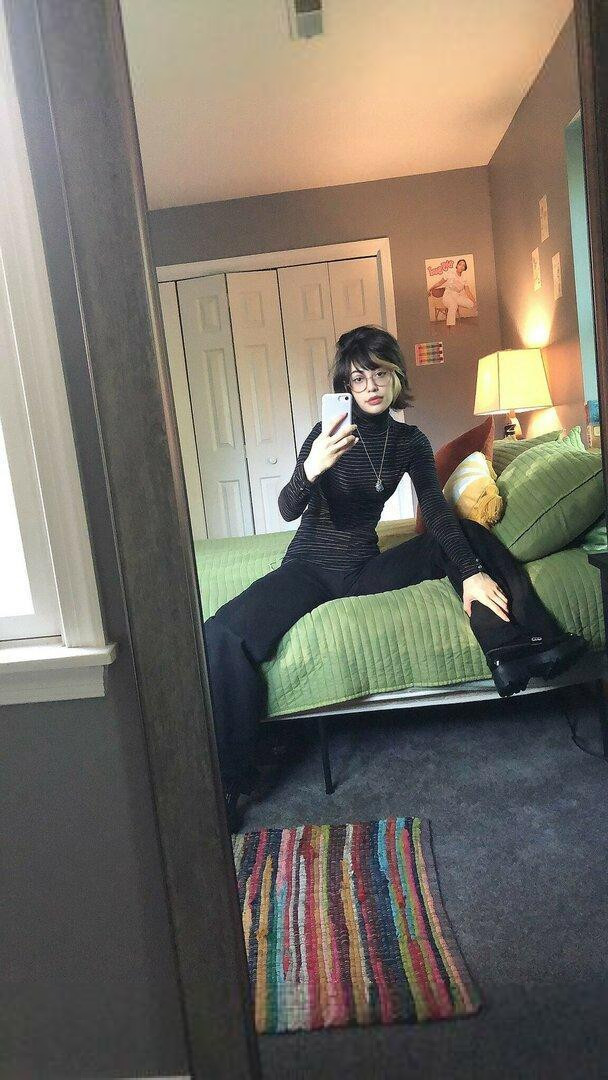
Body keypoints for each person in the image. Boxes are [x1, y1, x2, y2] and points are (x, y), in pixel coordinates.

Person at [204, 326, 585, 830]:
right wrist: (311, 469)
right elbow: (287, 509)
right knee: (221, 633)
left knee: (467, 535)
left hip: (364, 568)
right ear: (346, 385)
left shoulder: (409, 441)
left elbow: (436, 511)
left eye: (380, 374)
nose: (371, 387)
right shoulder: (326, 433)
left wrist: (470, 574)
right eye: (358, 378)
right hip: (309, 568)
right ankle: (232, 780)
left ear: (396, 376)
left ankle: (525, 646)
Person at [429, 258, 477, 326]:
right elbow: (439, 283)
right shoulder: (450, 273)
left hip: (457, 296)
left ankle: (458, 303)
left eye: (463, 265)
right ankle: (450, 326)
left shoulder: (464, 279)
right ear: (457, 266)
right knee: (453, 305)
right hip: (448, 295)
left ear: (464, 268)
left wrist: (474, 302)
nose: (461, 266)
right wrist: (430, 289)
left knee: (471, 304)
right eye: (460, 264)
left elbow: (468, 292)